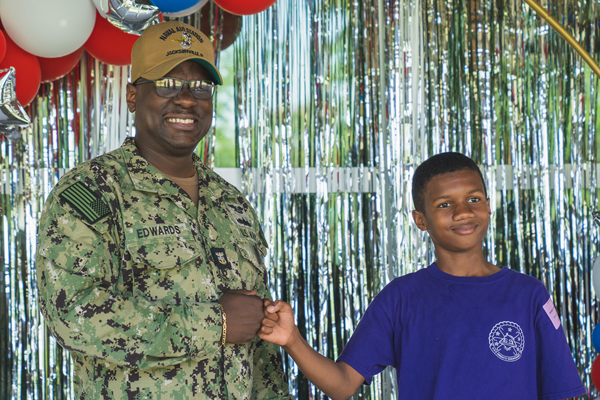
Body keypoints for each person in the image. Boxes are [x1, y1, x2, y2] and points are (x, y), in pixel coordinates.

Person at [35, 21, 289, 399]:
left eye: (200, 87)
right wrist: (214, 323)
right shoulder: (91, 192)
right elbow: (73, 315)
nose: (186, 99)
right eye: (168, 84)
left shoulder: (232, 203)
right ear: (133, 96)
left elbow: (261, 340)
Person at [258, 152, 585, 400]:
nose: (463, 212)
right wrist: (292, 341)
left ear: (488, 205)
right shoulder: (401, 298)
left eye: (473, 199)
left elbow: (562, 390)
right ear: (421, 219)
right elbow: (343, 384)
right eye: (445, 204)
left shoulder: (529, 294)